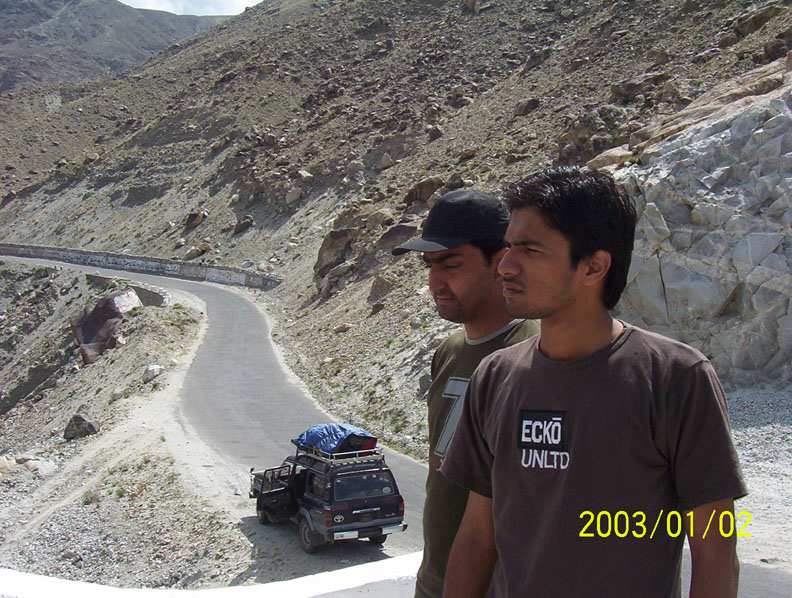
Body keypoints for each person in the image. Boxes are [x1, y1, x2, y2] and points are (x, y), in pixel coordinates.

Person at [441, 167, 747, 598]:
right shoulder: (495, 376)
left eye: (529, 249)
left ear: (593, 266)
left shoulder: (675, 378)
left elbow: (715, 545)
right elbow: (477, 535)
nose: (505, 266)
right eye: (508, 247)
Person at [392, 189, 538, 598]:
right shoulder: (450, 351)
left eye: (451, 264)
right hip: (436, 582)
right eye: (429, 266)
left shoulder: (536, 357)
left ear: (502, 262)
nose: (434, 282)